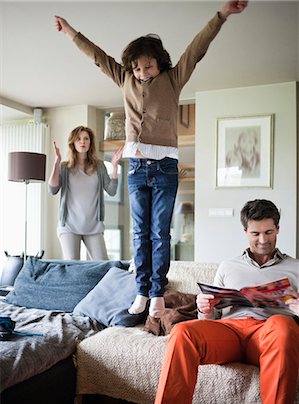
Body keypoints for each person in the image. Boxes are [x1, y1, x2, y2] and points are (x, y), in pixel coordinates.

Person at [54, 1, 248, 317]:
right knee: (139, 232)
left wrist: (221, 15)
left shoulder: (174, 79)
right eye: (137, 68)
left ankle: (157, 292)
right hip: (138, 169)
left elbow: (197, 48)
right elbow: (98, 56)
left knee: (160, 232)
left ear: (159, 63)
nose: (142, 73)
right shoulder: (126, 80)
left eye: (148, 66)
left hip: (166, 169)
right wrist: (70, 32)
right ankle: (141, 291)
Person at [147, 199, 299, 404]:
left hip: (269, 333)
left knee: (283, 326)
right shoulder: (228, 266)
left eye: (269, 232)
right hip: (230, 331)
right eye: (256, 233)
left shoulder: (295, 268)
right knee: (183, 331)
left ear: (278, 229)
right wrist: (204, 308)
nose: (263, 240)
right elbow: (209, 320)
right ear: (245, 232)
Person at [48, 125, 122, 260]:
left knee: (103, 266)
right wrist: (56, 163)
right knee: (72, 266)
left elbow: (111, 191)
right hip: (69, 226)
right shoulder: (65, 167)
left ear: (90, 142)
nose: (82, 142)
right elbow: (53, 189)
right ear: (73, 143)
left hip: (93, 226)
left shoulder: (99, 166)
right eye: (78, 139)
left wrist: (115, 166)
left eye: (86, 138)